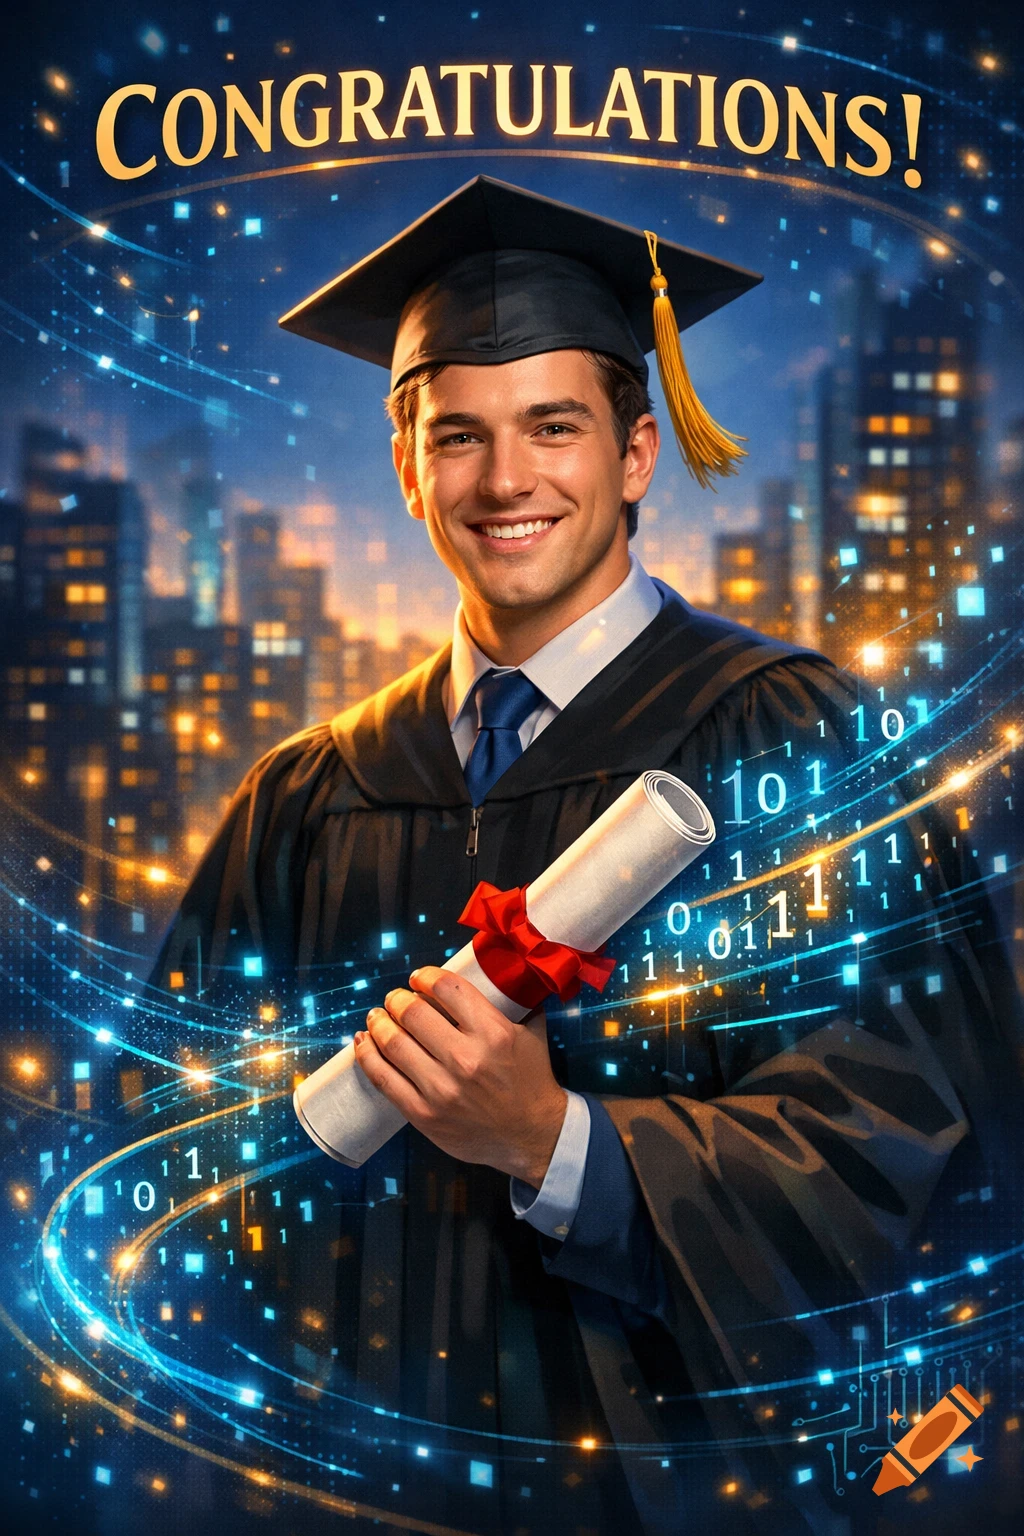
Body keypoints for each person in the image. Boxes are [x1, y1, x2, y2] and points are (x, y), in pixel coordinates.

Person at [151, 177, 1019, 1534]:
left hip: (676, 1488)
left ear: (633, 453)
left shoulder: (789, 738)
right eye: (459, 437)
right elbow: (176, 1146)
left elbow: (913, 1131)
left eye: (553, 427)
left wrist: (556, 1142)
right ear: (407, 465)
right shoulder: (309, 799)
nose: (503, 483)